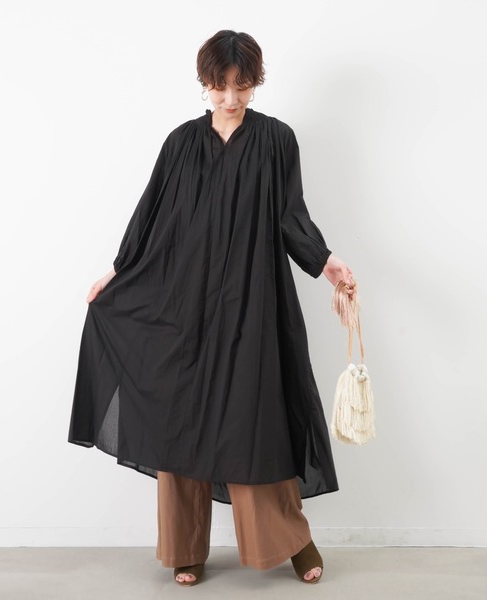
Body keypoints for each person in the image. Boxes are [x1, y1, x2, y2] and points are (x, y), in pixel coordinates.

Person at [68, 30, 355, 587]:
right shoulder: (180, 143)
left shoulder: (275, 139)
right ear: (205, 83)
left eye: (241, 86)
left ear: (255, 82)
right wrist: (117, 272)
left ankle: (293, 540)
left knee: (254, 423)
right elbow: (150, 217)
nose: (230, 98)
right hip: (181, 305)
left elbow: (291, 216)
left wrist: (328, 263)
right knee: (180, 422)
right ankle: (186, 548)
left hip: (253, 301)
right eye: (220, 86)